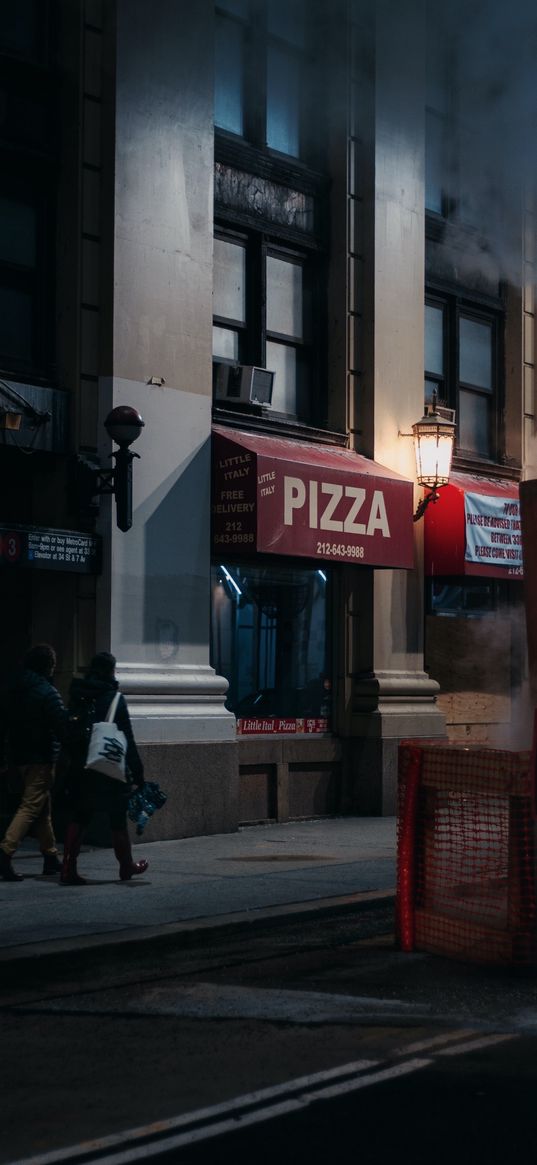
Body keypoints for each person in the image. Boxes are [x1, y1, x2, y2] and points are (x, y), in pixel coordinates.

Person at [60, 651, 148, 885]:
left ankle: (68, 867)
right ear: (111, 671)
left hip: (82, 767)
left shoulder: (78, 694)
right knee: (117, 818)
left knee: (80, 815)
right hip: (109, 768)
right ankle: (126, 867)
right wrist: (138, 773)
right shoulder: (115, 699)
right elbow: (126, 738)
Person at [0, 644, 67, 882]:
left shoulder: (13, 690)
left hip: (19, 758)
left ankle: (50, 857)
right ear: (47, 667)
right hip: (41, 759)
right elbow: (61, 726)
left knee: (42, 809)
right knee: (30, 807)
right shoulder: (47, 692)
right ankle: (6, 851)